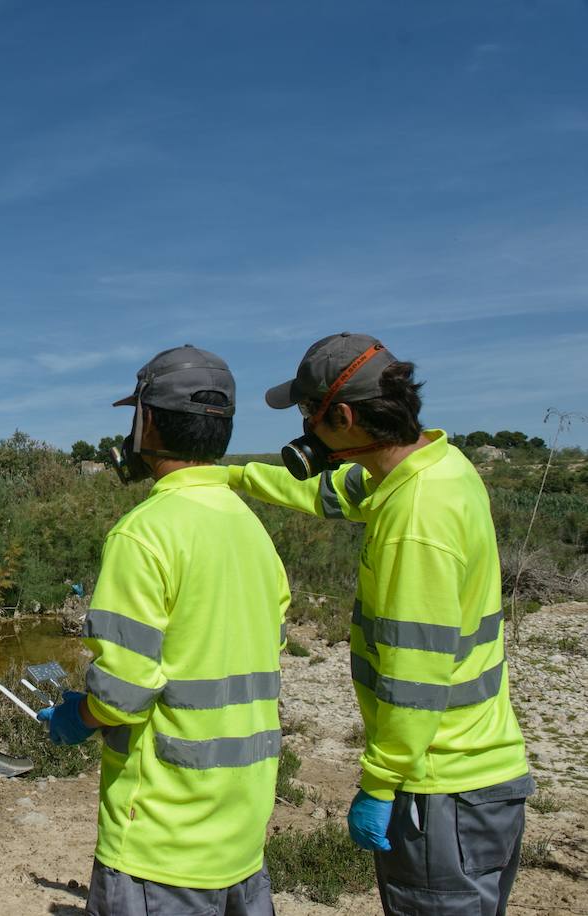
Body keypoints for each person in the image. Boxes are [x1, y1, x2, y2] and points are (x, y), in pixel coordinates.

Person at [231, 332, 532, 915]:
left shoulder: (415, 520)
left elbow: (412, 676)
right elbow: (333, 492)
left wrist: (379, 782)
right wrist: (234, 476)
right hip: (480, 777)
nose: (304, 429)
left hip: (440, 787)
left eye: (306, 414)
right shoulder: (432, 468)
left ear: (341, 417)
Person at [39, 345, 289, 916]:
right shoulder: (253, 531)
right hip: (243, 833)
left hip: (160, 842)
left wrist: (77, 716)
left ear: (145, 421)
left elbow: (123, 694)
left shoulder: (142, 534)